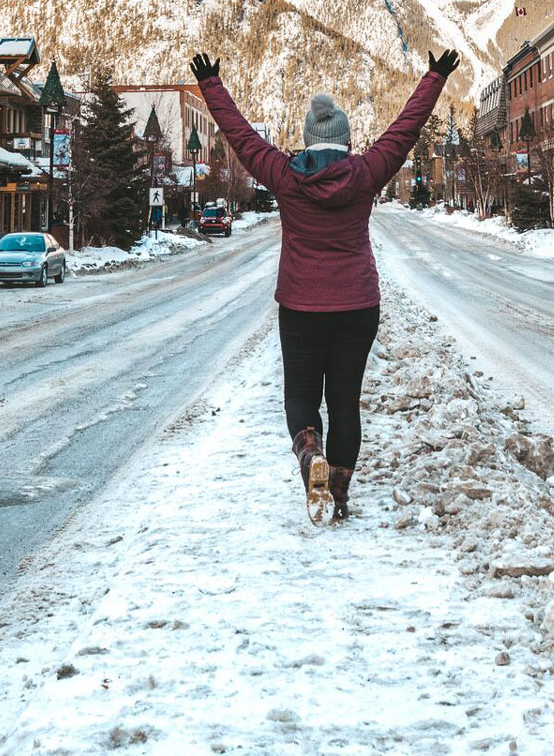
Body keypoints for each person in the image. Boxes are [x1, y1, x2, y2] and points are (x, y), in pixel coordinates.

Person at [191, 47, 460, 525]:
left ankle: (309, 451)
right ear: (346, 140)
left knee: (301, 396)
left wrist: (212, 86)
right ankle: (337, 492)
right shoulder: (367, 172)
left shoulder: (284, 175)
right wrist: (434, 77)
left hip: (300, 304)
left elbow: (242, 137)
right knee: (344, 400)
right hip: (357, 305)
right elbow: (405, 129)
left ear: (308, 139)